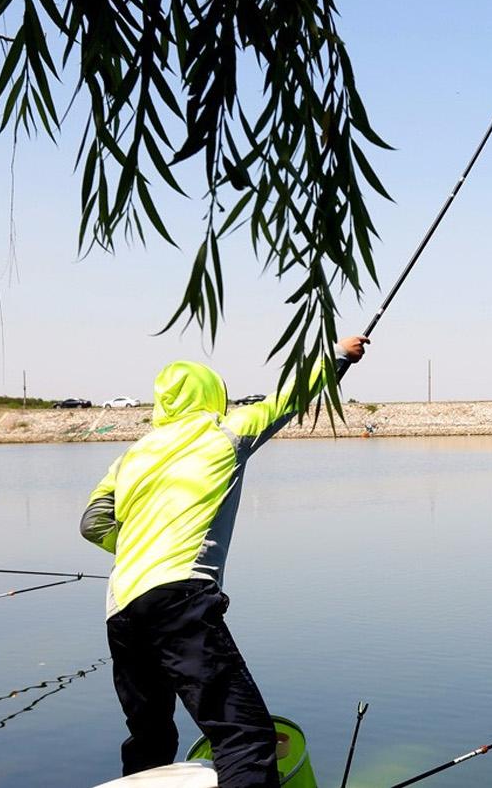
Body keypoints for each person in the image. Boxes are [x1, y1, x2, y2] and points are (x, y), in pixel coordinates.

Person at [81, 336, 369, 785]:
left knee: (150, 736)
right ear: (212, 393)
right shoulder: (226, 431)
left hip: (120, 610)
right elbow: (289, 399)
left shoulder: (131, 456)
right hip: (179, 598)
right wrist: (337, 358)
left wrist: (139, 546)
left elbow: (93, 522)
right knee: (246, 736)